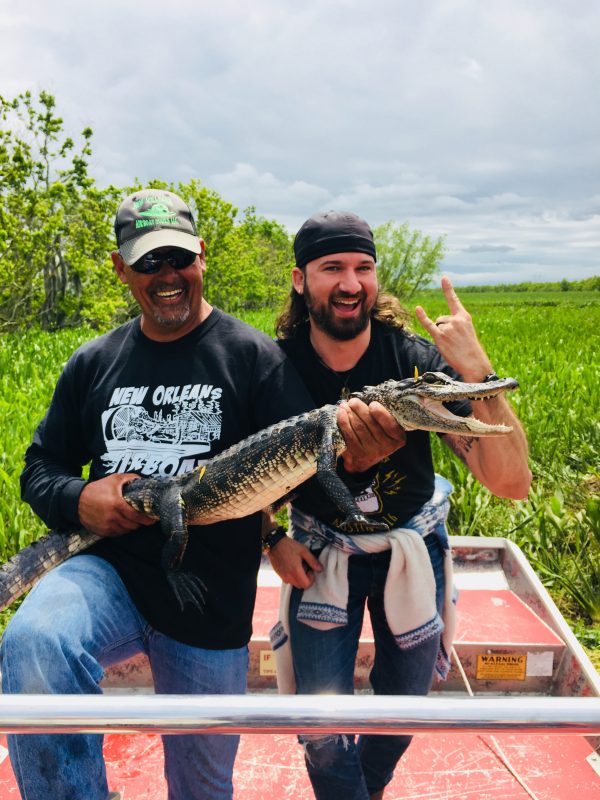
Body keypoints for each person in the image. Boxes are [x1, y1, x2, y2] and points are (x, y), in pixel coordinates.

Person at [0, 190, 389, 800]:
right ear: (120, 268)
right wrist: (80, 500)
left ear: (201, 256)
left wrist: (338, 482)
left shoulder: (253, 358)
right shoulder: (93, 362)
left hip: (208, 600)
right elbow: (39, 468)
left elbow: (300, 472)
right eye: (149, 262)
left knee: (203, 786)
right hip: (109, 570)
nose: (167, 276)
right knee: (34, 643)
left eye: (178, 258)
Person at [267, 211, 532, 800]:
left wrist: (478, 370)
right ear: (299, 279)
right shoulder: (271, 366)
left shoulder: (414, 362)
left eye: (363, 267)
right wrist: (271, 541)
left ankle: (367, 787)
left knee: (405, 708)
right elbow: (243, 469)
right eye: (331, 267)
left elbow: (512, 482)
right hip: (318, 553)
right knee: (320, 727)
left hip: (409, 552)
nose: (350, 282)